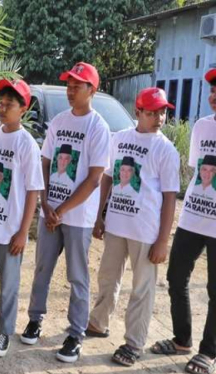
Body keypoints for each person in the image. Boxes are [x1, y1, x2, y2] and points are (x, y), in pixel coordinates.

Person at [22, 62, 110, 363]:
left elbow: (95, 177)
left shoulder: (98, 127)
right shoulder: (59, 122)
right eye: (69, 85)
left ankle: (75, 335)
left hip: (78, 219)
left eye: (77, 86)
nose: (71, 90)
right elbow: (44, 164)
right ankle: (35, 319)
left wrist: (61, 209)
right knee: (42, 270)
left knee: (77, 276)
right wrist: (46, 204)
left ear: (92, 90)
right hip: (51, 214)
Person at [87, 87, 179, 367]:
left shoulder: (166, 149)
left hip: (146, 231)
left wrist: (163, 240)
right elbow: (107, 178)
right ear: (138, 112)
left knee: (142, 288)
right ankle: (98, 323)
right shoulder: (120, 139)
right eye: (151, 112)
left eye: (162, 111)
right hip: (116, 225)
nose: (158, 117)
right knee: (107, 278)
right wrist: (99, 215)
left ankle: (133, 343)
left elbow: (170, 197)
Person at [151, 69, 216, 374]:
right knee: (177, 278)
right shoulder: (202, 127)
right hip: (193, 215)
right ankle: (182, 339)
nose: (213, 96)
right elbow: (197, 168)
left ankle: (209, 351)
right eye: (212, 91)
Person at [0, 78, 44, 357]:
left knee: (9, 284)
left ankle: (5, 332)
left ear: (23, 109)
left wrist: (23, 231)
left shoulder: (27, 144)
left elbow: (32, 192)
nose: (3, 109)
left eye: (10, 105)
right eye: (1, 104)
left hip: (10, 229)